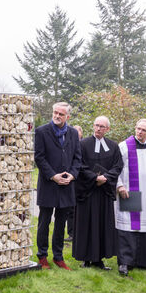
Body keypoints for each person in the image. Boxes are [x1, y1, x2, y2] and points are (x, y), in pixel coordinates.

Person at [115, 119, 146, 276]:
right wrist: (120, 185)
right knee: (128, 227)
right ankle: (125, 262)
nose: (139, 132)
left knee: (144, 228)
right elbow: (115, 168)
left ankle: (143, 260)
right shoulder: (124, 146)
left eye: (143, 130)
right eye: (138, 128)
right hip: (129, 192)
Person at [35, 102, 82, 270]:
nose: (57, 116)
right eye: (55, 112)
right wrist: (53, 176)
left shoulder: (73, 133)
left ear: (67, 117)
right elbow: (39, 157)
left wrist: (73, 174)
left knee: (61, 223)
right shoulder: (41, 131)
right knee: (44, 221)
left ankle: (58, 257)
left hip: (66, 184)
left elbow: (78, 157)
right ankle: (42, 256)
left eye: (61, 114)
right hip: (49, 184)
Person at [72, 116, 123, 270]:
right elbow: (79, 165)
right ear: (93, 126)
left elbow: (118, 165)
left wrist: (105, 178)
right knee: (86, 224)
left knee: (102, 225)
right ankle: (86, 258)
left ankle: (99, 259)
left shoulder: (113, 146)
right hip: (87, 191)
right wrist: (95, 178)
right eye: (96, 125)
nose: (99, 129)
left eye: (102, 126)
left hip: (104, 192)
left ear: (107, 129)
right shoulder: (82, 144)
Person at [65, 124, 83, 242]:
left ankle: (79, 232)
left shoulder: (83, 145)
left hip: (81, 181)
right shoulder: (68, 145)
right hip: (71, 180)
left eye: (78, 132)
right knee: (70, 210)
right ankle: (71, 233)